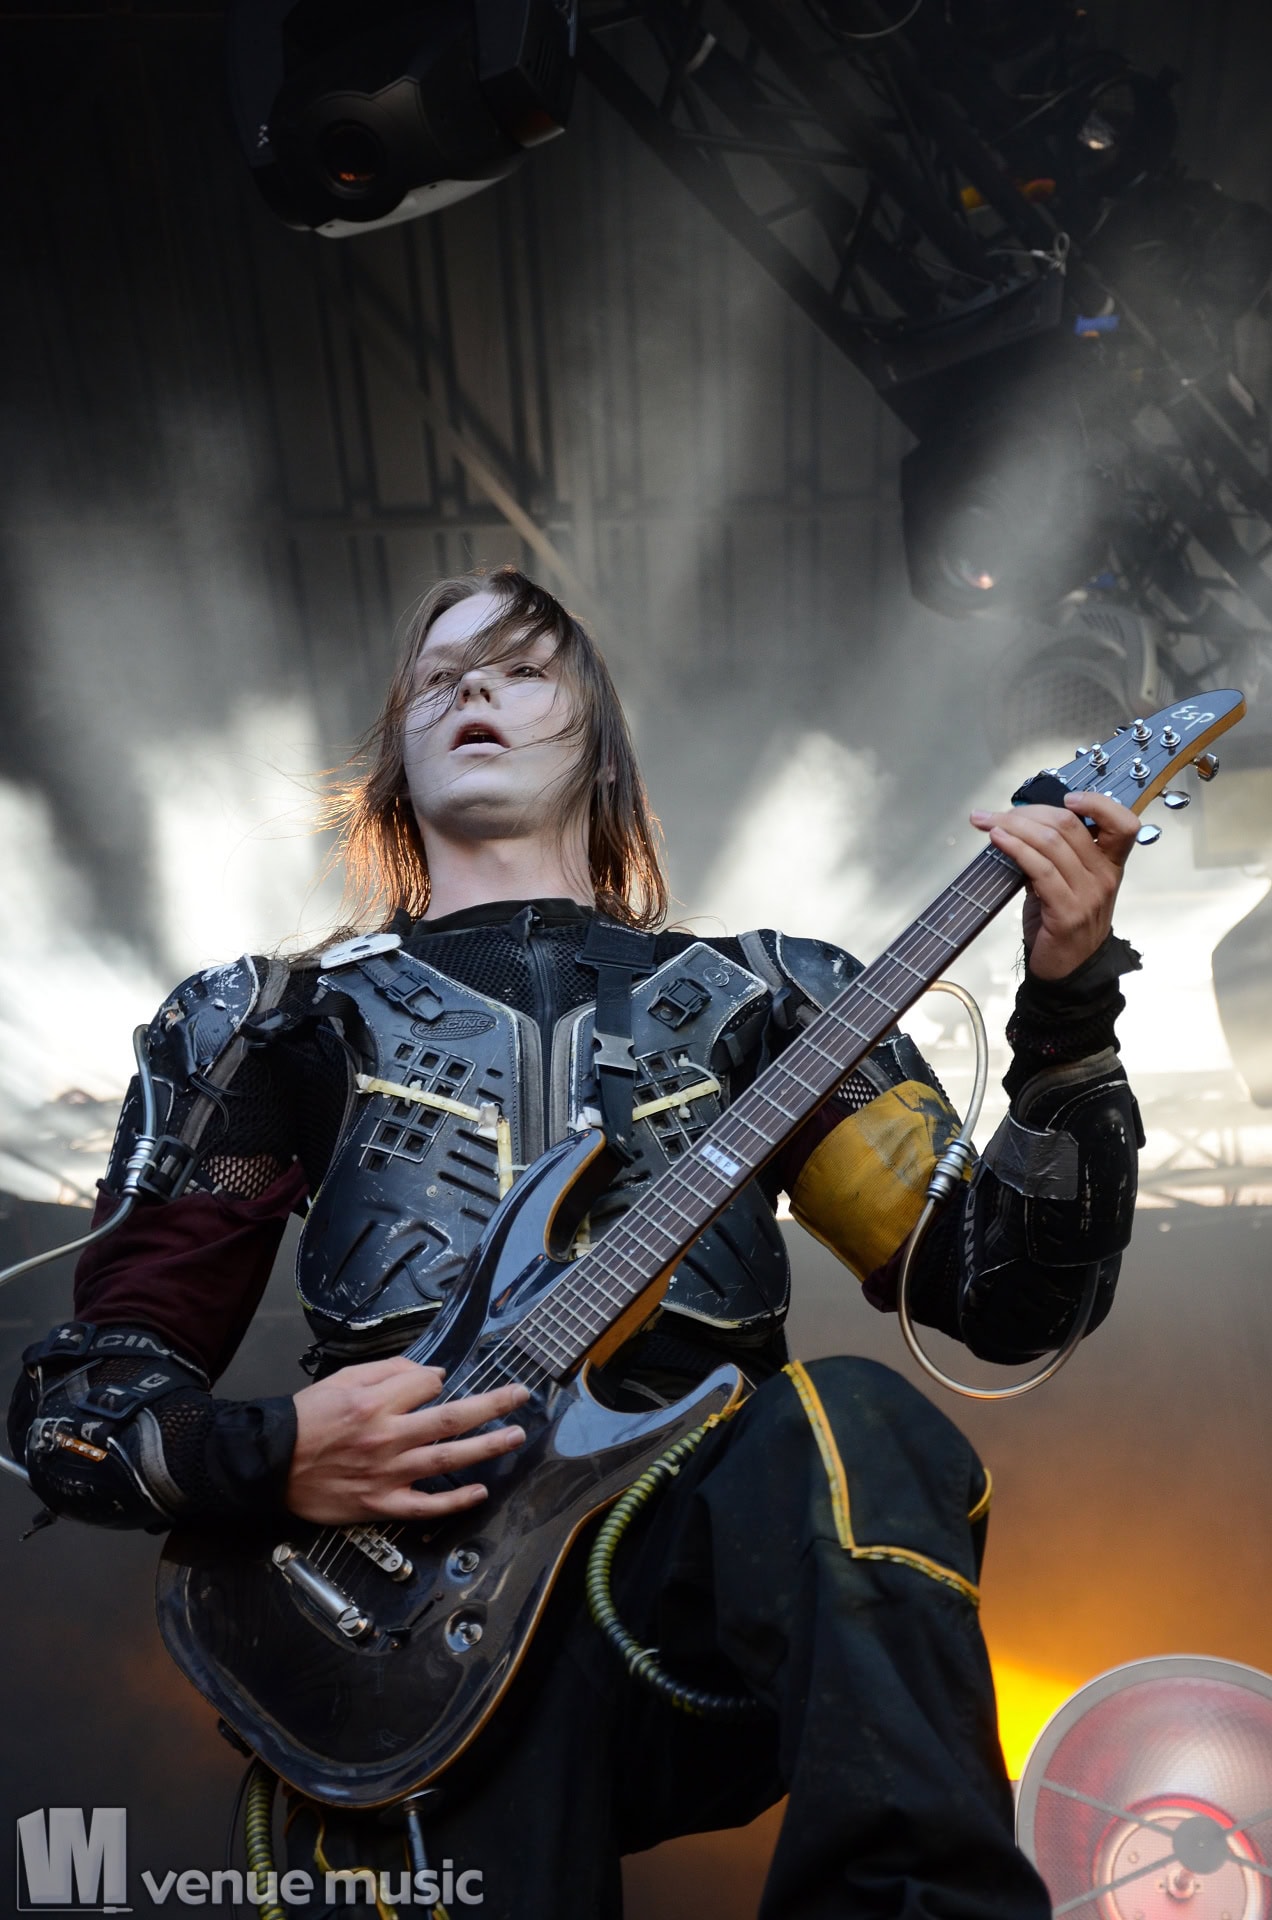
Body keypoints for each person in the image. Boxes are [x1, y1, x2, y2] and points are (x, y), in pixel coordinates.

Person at [9, 566, 1143, 1918]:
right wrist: (277, 1453)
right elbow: (82, 1405)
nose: (473, 691)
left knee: (858, 1424)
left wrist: (1069, 1011)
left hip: (680, 1588)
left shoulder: (773, 999)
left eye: (519, 669)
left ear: (598, 739)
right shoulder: (273, 1021)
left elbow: (1003, 1298)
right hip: (396, 1610)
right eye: (440, 678)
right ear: (395, 758)